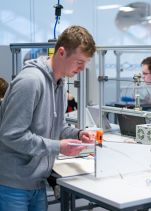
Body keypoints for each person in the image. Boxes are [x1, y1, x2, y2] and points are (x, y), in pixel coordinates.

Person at [0, 25, 97, 211]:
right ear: (61, 52)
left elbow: (57, 127)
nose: (83, 68)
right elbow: (11, 135)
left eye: (85, 63)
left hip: (37, 182)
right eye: (79, 61)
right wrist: (57, 146)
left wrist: (78, 134)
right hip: (13, 184)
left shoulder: (59, 84)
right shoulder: (30, 81)